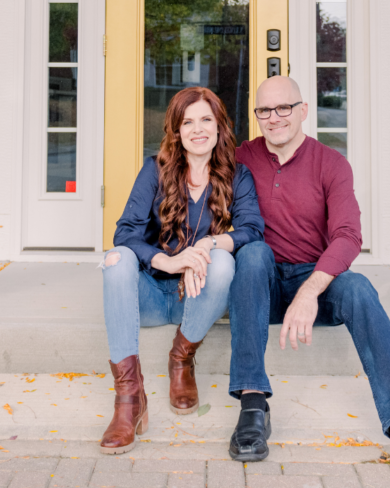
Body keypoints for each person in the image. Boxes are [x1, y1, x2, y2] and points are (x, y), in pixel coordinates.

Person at [226, 77, 390, 482]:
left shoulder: (331, 163)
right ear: (255, 115)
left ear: (304, 110)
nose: (274, 118)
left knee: (360, 289)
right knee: (252, 254)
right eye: (264, 111)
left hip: (317, 280)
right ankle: (253, 405)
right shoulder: (241, 158)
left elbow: (348, 235)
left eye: (284, 108)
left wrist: (310, 291)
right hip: (261, 284)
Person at [99, 87, 264, 455]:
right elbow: (125, 231)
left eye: (206, 119)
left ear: (219, 127)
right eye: (188, 122)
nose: (198, 129)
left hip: (200, 298)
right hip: (154, 295)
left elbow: (252, 229)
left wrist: (205, 245)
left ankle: (182, 358)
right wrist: (170, 261)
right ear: (176, 130)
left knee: (224, 258)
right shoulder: (154, 169)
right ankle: (129, 399)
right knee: (115, 258)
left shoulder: (238, 176)